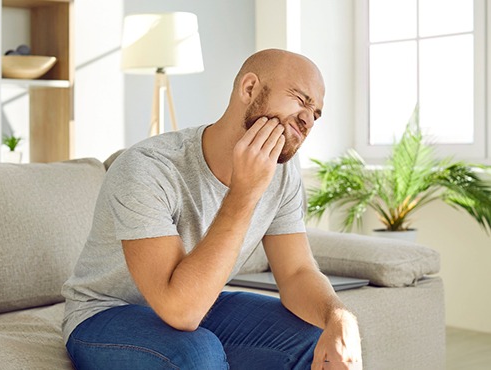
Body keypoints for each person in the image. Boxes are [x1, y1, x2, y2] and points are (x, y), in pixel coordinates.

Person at [62, 49, 362, 369]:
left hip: (203, 302)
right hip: (104, 314)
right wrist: (244, 193)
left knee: (319, 340)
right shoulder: (147, 168)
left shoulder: (283, 171)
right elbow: (181, 311)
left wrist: (337, 317)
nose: (307, 119)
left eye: (315, 113)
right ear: (249, 89)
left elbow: (296, 272)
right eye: (300, 99)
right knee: (196, 353)